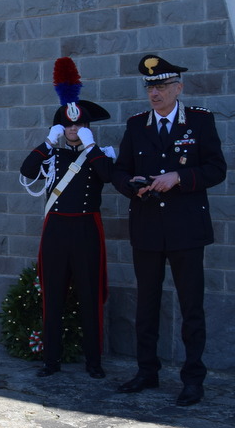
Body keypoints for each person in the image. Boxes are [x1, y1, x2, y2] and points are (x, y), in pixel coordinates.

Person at [112, 54, 227, 406]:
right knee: (146, 305)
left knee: (191, 306)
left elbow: (216, 169)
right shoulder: (137, 126)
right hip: (147, 227)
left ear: (179, 88)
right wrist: (132, 186)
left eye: (162, 86)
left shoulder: (200, 121)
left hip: (186, 229)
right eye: (150, 87)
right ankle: (147, 371)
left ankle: (193, 379)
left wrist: (179, 177)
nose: (155, 93)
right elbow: (119, 171)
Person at [20, 57, 115, 379]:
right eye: (68, 125)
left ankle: (93, 361)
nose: (74, 130)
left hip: (86, 228)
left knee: (90, 295)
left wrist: (92, 147)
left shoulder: (100, 155)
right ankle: (51, 361)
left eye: (79, 125)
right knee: (53, 295)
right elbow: (27, 170)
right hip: (57, 229)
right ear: (61, 128)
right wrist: (49, 141)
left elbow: (108, 176)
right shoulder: (54, 155)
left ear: (87, 128)